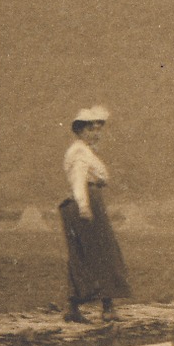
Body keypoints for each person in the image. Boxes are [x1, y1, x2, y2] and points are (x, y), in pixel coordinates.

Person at [59, 105, 132, 323]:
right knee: (103, 252)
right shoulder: (80, 152)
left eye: (98, 129)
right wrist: (84, 206)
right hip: (87, 202)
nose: (96, 133)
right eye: (91, 129)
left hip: (88, 200)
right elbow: (79, 180)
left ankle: (74, 307)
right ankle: (107, 308)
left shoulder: (83, 151)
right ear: (80, 131)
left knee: (83, 254)